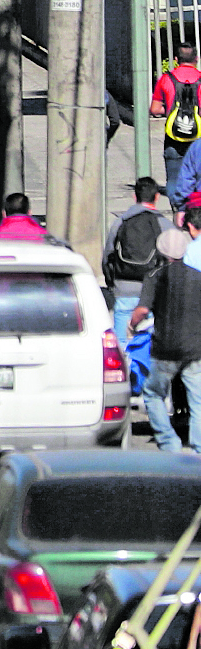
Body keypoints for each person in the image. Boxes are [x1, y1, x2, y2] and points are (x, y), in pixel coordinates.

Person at [132, 203, 201, 453]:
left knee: (152, 394)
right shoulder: (198, 277)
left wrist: (132, 324)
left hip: (165, 350)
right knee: (199, 400)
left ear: (161, 250)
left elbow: (141, 311)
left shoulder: (155, 276)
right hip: (196, 348)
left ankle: (168, 442)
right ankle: (199, 448)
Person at [103, 177, 169, 343]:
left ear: (134, 196)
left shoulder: (120, 222)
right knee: (151, 343)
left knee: (121, 343)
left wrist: (111, 283)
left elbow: (107, 256)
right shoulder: (164, 224)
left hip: (123, 287)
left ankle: (124, 364)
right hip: (153, 290)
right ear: (157, 197)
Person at [155, 45, 201, 182]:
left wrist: (171, 109)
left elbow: (155, 109)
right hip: (198, 138)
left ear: (176, 59)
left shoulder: (165, 79)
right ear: (196, 59)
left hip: (173, 137)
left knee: (174, 181)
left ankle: (178, 202)